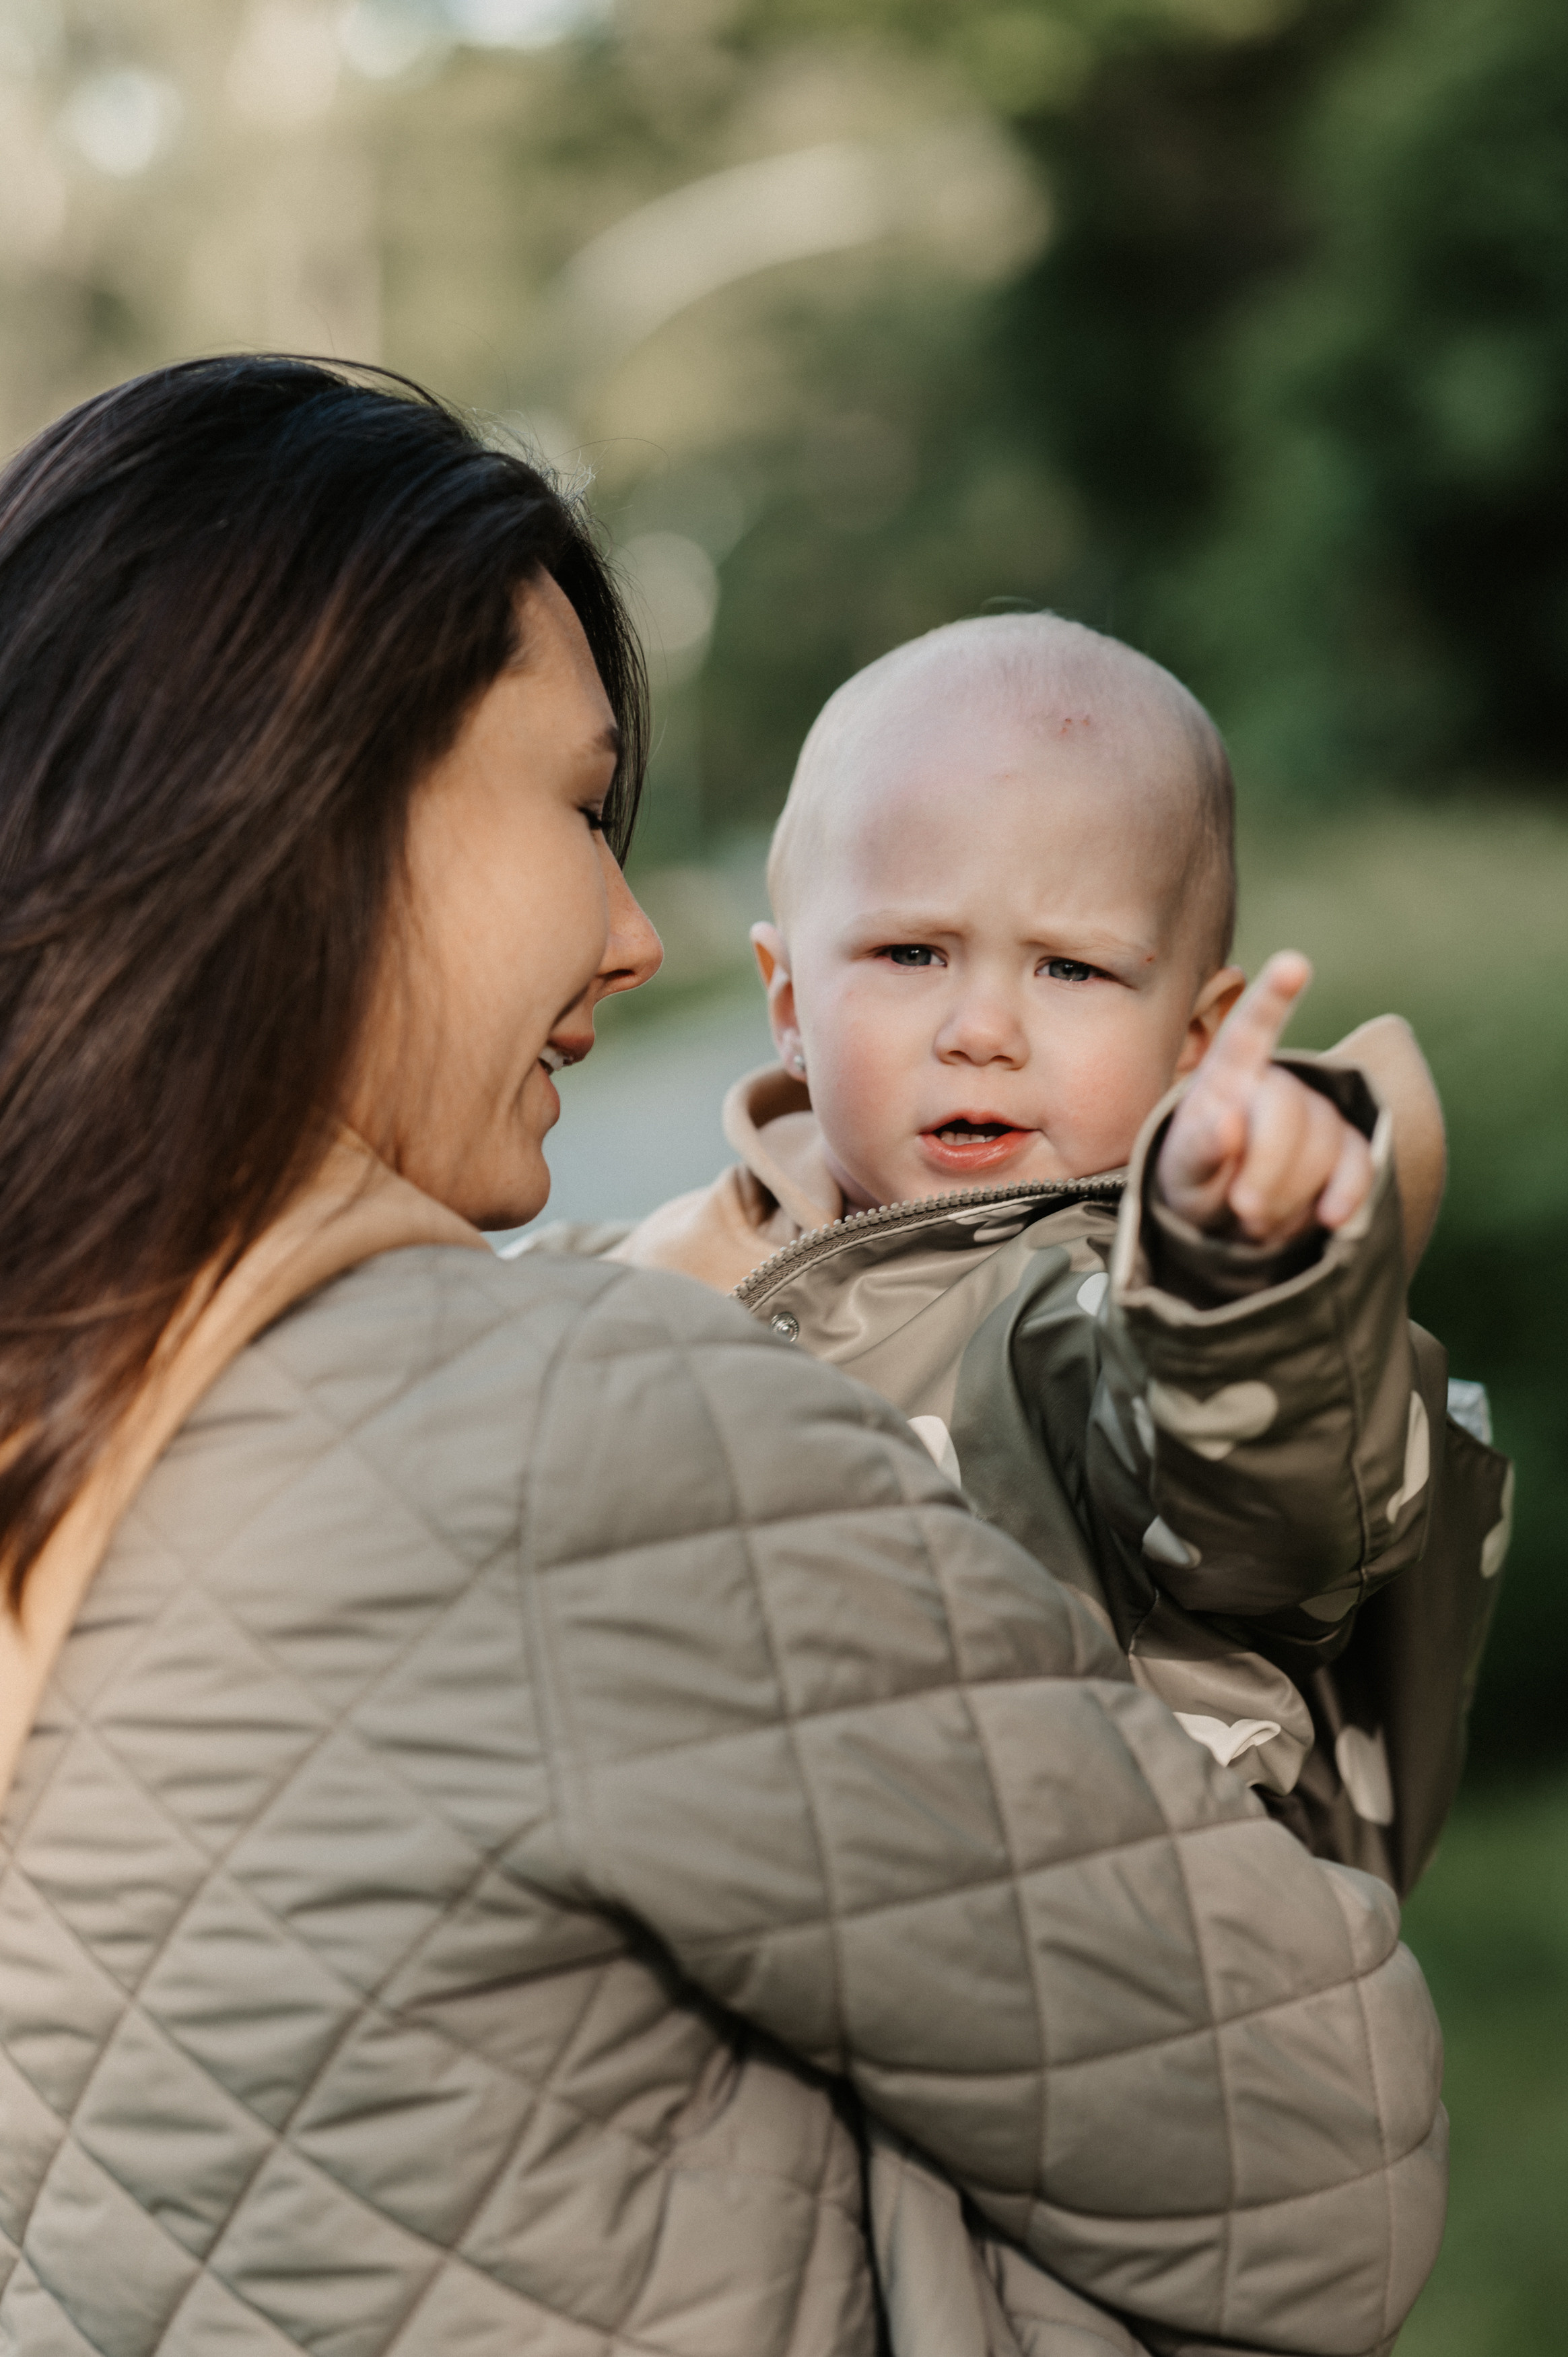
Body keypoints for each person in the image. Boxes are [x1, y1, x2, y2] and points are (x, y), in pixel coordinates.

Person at [0, 363, 1446, 2357]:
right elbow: (1335, 2158)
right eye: (586, 807)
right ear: (311, 800)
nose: (621, 927)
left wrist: (1259, 1264)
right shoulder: (561, 1425)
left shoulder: (75, 1415)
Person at [609, 616, 1510, 1896]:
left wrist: (1238, 1274)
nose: (982, 1028)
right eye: (910, 952)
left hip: (1116, 1979)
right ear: (791, 1003)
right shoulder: (659, 1264)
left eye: (1073, 969)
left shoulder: (1099, 1315)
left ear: (1195, 1039)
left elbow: (1265, 1506)